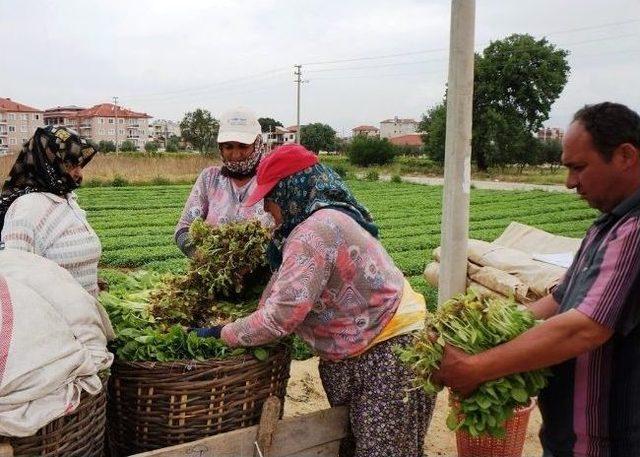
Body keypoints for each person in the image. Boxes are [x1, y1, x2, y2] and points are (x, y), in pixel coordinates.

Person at [194, 144, 435, 457]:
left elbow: (278, 318)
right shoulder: (314, 223)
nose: (267, 208)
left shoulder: (315, 231)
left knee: (384, 451)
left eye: (270, 198)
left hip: (387, 353)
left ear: (290, 190)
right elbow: (281, 290)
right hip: (363, 350)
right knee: (357, 445)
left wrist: (220, 333)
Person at [434, 102, 640, 457]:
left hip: (612, 441)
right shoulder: (605, 228)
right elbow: (561, 298)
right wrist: (490, 332)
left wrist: (476, 367)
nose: (570, 183)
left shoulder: (635, 230)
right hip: (570, 437)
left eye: (579, 168)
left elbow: (585, 327)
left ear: (625, 155)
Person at [0, 126, 100, 297]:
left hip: (84, 318)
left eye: (80, 164)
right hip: (53, 320)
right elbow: (13, 280)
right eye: (69, 164)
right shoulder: (26, 209)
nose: (79, 173)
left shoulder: (68, 200)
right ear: (46, 162)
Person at [175, 107, 273, 256]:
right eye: (228, 147)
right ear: (221, 147)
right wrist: (202, 256)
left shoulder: (272, 180)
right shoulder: (210, 178)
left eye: (243, 146)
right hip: (215, 275)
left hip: (264, 276)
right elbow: (183, 228)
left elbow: (286, 233)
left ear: (257, 144)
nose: (236, 154)